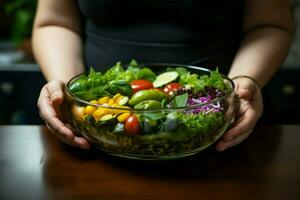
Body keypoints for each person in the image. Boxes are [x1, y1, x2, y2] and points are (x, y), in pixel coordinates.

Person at [33, 0, 293, 151]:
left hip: (226, 128)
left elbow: (270, 23)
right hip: (94, 129)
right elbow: (55, 21)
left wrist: (244, 83)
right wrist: (67, 92)